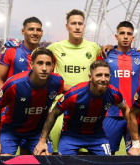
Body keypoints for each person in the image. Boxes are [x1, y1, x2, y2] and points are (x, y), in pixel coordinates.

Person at [33, 60, 129, 155]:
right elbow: (53, 114)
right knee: (63, 162)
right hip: (71, 135)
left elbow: (126, 110)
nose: (103, 79)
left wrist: (135, 139)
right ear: (90, 77)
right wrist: (42, 140)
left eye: (106, 75)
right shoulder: (74, 94)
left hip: (97, 136)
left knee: (107, 162)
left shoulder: (114, 94)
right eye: (99, 75)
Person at [0, 48, 64, 155]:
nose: (44, 68)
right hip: (11, 131)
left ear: (52, 66)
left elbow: (68, 92)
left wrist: (43, 140)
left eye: (48, 64)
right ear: (31, 65)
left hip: (37, 132)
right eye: (40, 63)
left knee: (46, 158)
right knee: (3, 158)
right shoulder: (13, 84)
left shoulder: (57, 82)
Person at [47, 9, 101, 154]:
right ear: (67, 26)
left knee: (85, 150)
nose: (77, 27)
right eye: (73, 23)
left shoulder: (94, 48)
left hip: (86, 103)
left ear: (84, 26)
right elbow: (40, 66)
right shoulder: (55, 48)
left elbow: (103, 69)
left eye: (80, 23)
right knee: (56, 150)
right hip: (61, 103)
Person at [100, 21, 140, 155]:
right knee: (106, 155)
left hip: (134, 115)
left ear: (133, 38)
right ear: (116, 36)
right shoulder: (106, 55)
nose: (125, 37)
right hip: (111, 114)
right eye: (122, 33)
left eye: (129, 34)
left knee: (136, 154)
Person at [0, 17, 43, 91]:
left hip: (36, 101)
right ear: (23, 31)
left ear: (42, 33)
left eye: (38, 30)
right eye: (31, 29)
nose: (35, 33)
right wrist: (6, 100)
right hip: (12, 101)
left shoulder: (47, 55)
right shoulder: (10, 51)